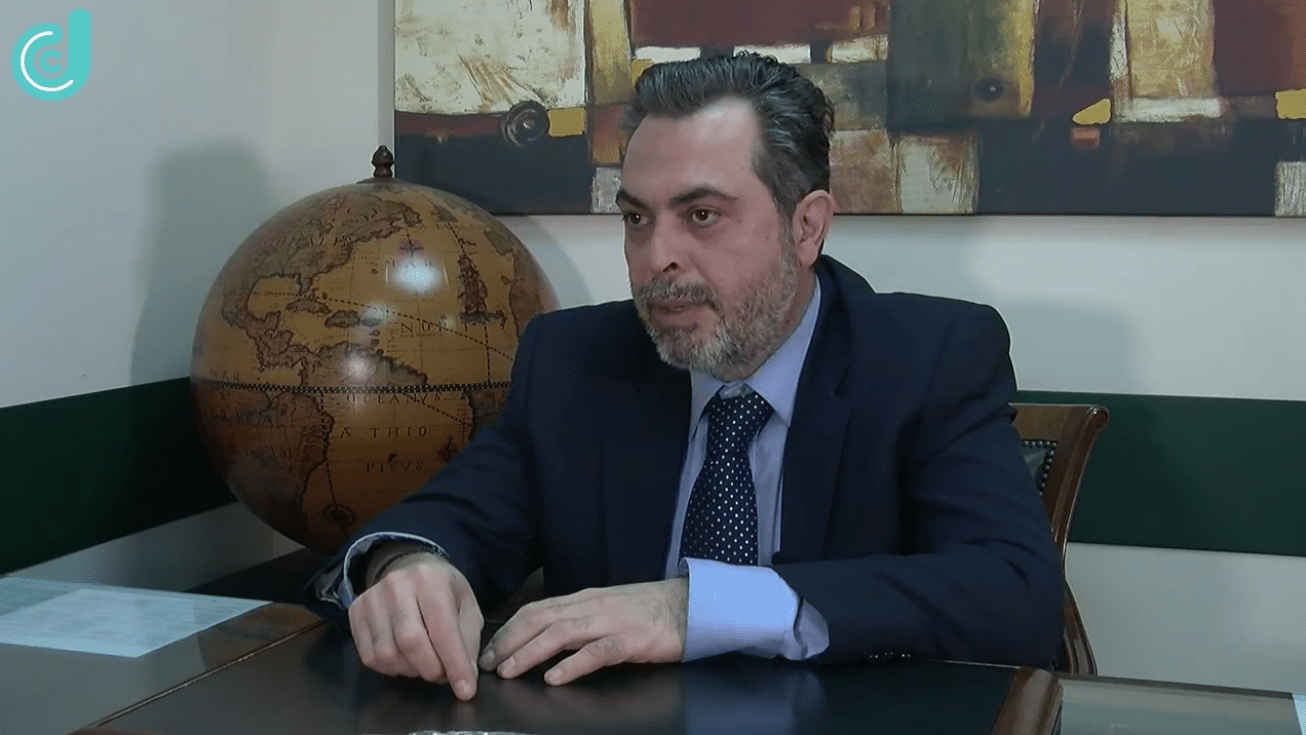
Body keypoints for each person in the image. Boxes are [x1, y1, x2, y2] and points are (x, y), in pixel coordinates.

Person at [303, 51, 1063, 701]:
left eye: (701, 215)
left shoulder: (928, 358)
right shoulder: (577, 360)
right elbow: (452, 516)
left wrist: (692, 607)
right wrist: (409, 565)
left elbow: (1016, 600)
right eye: (637, 218)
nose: (655, 258)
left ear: (806, 226)